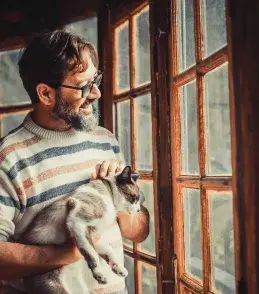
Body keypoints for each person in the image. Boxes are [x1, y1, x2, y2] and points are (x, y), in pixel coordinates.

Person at [0, 29, 149, 293]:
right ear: (46, 94)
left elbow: (138, 232)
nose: (97, 93)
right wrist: (76, 249)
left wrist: (118, 196)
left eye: (96, 80)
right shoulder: (9, 158)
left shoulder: (105, 140)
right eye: (84, 86)